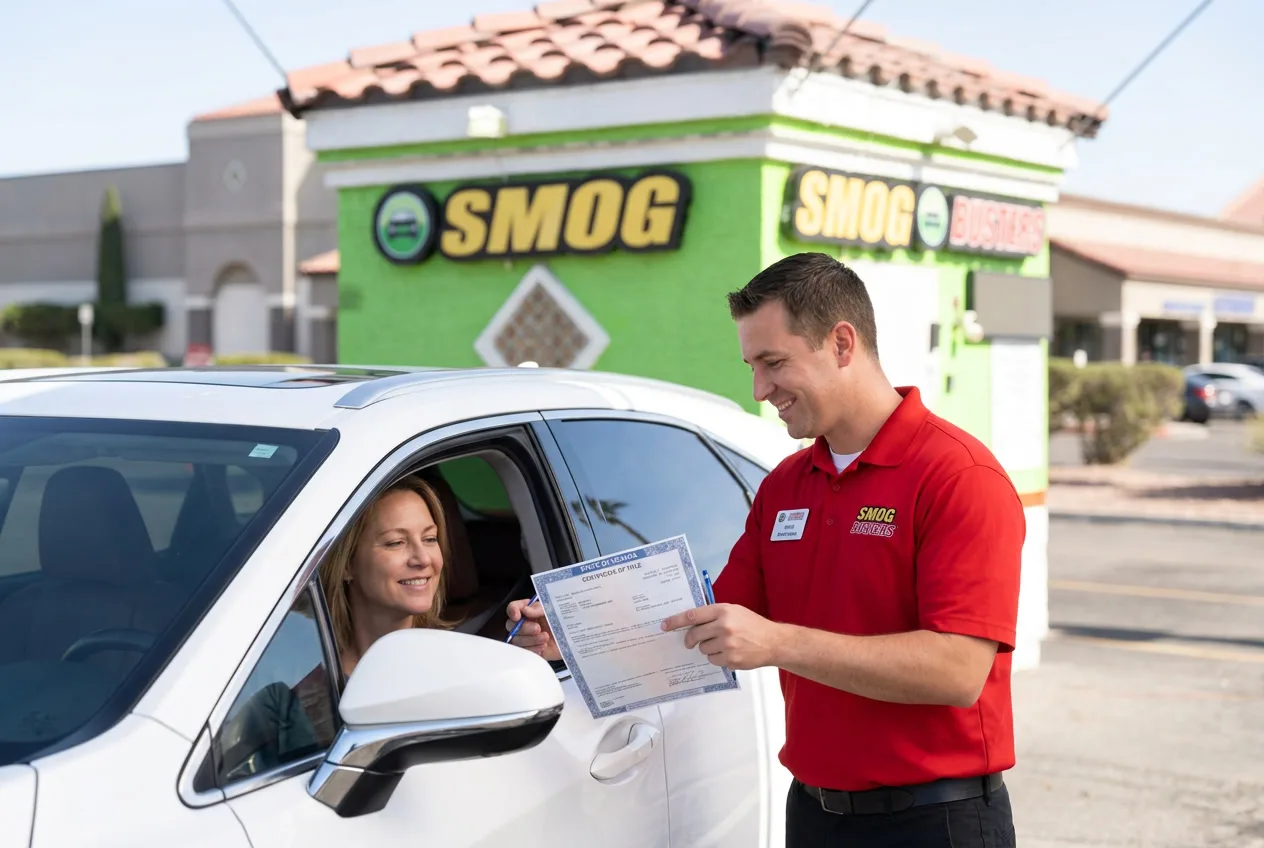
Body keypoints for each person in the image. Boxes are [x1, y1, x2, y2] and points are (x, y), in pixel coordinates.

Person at [507, 252, 1024, 847]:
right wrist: (578, 632)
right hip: (814, 814)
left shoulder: (959, 476)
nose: (760, 389)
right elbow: (708, 619)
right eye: (753, 366)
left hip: (937, 821)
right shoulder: (786, 485)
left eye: (774, 363)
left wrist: (778, 642)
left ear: (842, 343)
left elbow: (957, 672)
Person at [318, 474, 457, 677]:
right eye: (396, 542)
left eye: (429, 538)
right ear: (347, 564)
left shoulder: (455, 668)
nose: (423, 559)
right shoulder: (298, 679)